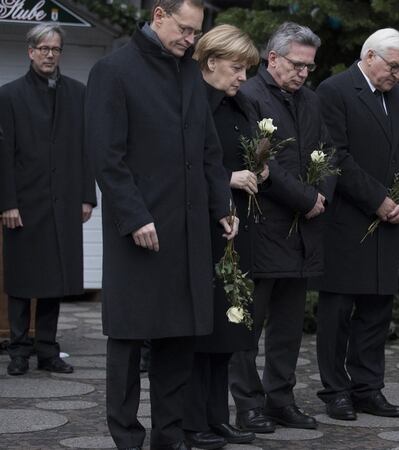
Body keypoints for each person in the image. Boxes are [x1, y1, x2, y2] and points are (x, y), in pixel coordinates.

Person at [84, 0, 237, 448]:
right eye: (185, 30)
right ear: (158, 15)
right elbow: (106, 157)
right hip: (140, 233)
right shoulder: (113, 70)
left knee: (179, 340)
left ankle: (169, 437)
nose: (190, 40)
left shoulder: (188, 70)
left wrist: (222, 206)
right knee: (129, 341)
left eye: (195, 33)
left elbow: (209, 151)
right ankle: (127, 438)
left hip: (188, 234)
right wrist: (134, 217)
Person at [229, 21, 331, 432]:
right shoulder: (250, 96)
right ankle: (247, 404)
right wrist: (307, 199)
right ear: (272, 58)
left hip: (303, 232)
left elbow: (328, 149)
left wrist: (323, 193)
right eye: (297, 65)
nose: (304, 73)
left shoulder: (309, 99)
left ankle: (281, 399)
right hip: (263, 226)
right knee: (248, 327)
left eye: (309, 67)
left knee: (288, 328)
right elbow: (260, 165)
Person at [313, 28, 399, 421]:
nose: (397, 75)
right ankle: (335, 390)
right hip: (347, 220)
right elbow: (336, 156)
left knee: (377, 311)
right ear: (370, 56)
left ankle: (368, 387)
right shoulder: (335, 90)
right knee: (338, 312)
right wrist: (378, 199)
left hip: (388, 221)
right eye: (394, 67)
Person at [181, 24, 262, 450]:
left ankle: (218, 417)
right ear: (210, 62)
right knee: (202, 332)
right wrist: (229, 177)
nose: (243, 77)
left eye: (247, 69)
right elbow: (185, 163)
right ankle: (193, 422)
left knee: (228, 333)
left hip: (237, 227)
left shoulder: (240, 104)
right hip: (203, 229)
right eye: (237, 68)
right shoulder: (192, 101)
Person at [0, 23, 96, 377]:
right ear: (30, 51)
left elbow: (87, 149)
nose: (49, 55)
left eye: (55, 49)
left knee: (56, 280)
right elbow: (3, 155)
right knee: (23, 281)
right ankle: (19, 350)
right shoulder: (8, 96)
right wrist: (6, 203)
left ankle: (48, 350)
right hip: (23, 204)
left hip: (65, 201)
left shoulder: (77, 94)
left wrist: (88, 197)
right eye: (43, 49)